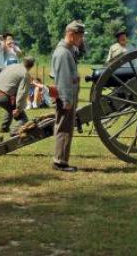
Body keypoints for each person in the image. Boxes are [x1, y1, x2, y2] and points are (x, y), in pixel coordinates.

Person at [50, 20, 85, 172]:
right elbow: (63, 78)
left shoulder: (69, 49)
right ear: (71, 35)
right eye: (80, 36)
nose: (82, 39)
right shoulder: (63, 53)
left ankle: (62, 160)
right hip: (66, 97)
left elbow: (82, 50)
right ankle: (60, 162)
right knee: (64, 129)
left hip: (69, 95)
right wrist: (66, 99)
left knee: (66, 128)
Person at [0, 56, 35, 135]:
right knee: (23, 119)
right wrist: (19, 108)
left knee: (10, 107)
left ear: (23, 61)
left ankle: (4, 128)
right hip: (3, 96)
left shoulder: (11, 66)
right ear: (32, 66)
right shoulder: (25, 74)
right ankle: (14, 132)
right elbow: (22, 93)